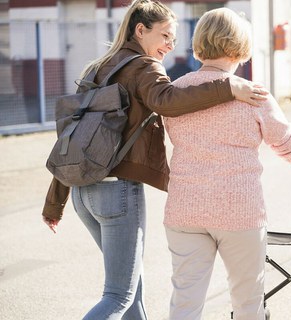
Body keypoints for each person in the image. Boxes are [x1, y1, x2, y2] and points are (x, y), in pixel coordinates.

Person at [41, 1, 268, 319]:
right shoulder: (143, 67)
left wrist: (55, 202)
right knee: (118, 295)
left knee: (131, 293)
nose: (170, 45)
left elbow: (74, 139)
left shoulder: (97, 67)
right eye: (164, 35)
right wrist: (228, 86)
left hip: (82, 195)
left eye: (174, 39)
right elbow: (168, 101)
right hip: (117, 192)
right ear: (140, 30)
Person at [163, 7, 291, 320]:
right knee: (248, 302)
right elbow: (288, 144)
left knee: (185, 302)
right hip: (238, 211)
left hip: (184, 209)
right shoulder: (252, 95)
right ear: (240, 46)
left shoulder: (175, 93)